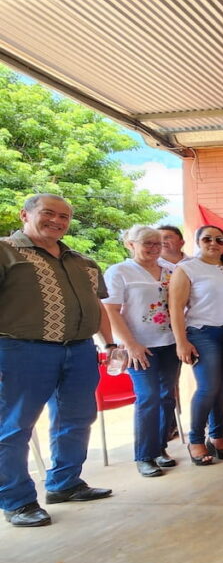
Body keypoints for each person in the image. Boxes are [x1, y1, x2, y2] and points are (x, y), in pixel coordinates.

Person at [0, 194, 113, 527]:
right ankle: (16, 500)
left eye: (64, 216)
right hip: (22, 350)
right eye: (48, 213)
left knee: (77, 419)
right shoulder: (5, 252)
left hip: (79, 350)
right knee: (14, 426)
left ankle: (65, 483)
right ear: (25, 214)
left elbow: (98, 304)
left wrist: (111, 343)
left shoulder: (82, 261)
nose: (58, 221)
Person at [103, 226, 180, 478]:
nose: (153, 248)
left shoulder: (170, 270)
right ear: (131, 244)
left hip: (169, 342)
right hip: (139, 346)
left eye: (158, 243)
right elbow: (111, 310)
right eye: (147, 243)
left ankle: (160, 448)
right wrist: (131, 344)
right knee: (148, 397)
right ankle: (144, 455)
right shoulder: (119, 271)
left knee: (168, 396)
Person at [169, 224, 223, 465]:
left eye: (219, 240)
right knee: (208, 387)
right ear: (197, 241)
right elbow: (176, 308)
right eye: (207, 239)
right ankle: (196, 439)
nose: (213, 243)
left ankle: (218, 435)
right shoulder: (187, 268)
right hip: (202, 333)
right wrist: (181, 342)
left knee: (222, 387)